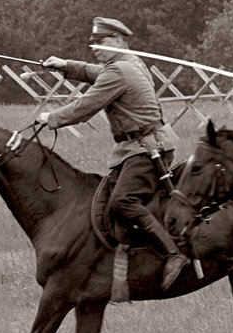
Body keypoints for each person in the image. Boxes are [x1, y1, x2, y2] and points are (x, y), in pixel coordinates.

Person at [37, 17, 190, 295]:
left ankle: (172, 253)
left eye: (102, 42)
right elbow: (98, 72)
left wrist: (52, 117)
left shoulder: (119, 71)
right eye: (94, 42)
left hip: (145, 149)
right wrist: (67, 66)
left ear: (119, 41)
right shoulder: (131, 64)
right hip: (147, 145)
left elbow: (85, 106)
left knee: (122, 202)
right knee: (109, 202)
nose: (95, 47)